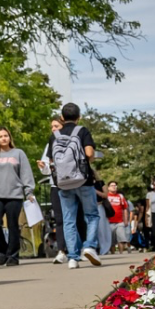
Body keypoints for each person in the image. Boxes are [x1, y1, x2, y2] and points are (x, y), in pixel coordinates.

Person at [44, 103, 102, 269]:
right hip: (83, 180)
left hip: (63, 183)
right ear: (79, 117)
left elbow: (52, 161)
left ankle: (72, 258)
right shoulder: (82, 131)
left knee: (68, 220)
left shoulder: (54, 135)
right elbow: (89, 153)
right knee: (91, 215)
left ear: (61, 118)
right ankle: (89, 246)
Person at [0, 127, 36, 267]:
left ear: (10, 137)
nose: (4, 138)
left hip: (14, 194)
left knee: (12, 225)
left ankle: (13, 255)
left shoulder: (18, 153)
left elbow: (26, 173)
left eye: (6, 136)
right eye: (0, 136)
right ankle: (2, 251)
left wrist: (28, 192)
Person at [38, 115, 65, 264]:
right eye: (52, 127)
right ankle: (62, 250)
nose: (54, 129)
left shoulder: (72, 141)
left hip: (72, 184)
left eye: (57, 126)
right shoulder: (50, 144)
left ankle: (76, 248)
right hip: (56, 185)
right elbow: (47, 168)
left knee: (73, 218)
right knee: (59, 219)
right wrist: (43, 167)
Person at [104, 181, 130, 253]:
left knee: (121, 239)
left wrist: (125, 220)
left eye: (115, 185)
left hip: (120, 222)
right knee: (111, 240)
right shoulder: (106, 196)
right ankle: (113, 254)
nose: (114, 187)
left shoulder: (120, 196)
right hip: (109, 222)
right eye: (112, 185)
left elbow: (125, 208)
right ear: (108, 188)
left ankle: (121, 253)